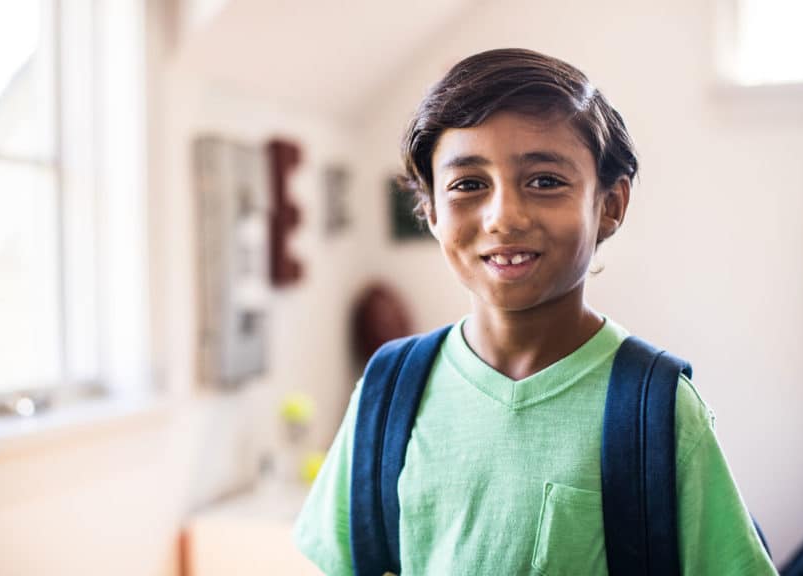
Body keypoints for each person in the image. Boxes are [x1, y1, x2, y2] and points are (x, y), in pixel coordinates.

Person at [293, 48, 777, 575]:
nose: (504, 217)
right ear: (431, 209)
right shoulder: (388, 393)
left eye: (544, 181)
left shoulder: (654, 411)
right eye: (468, 185)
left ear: (610, 206)